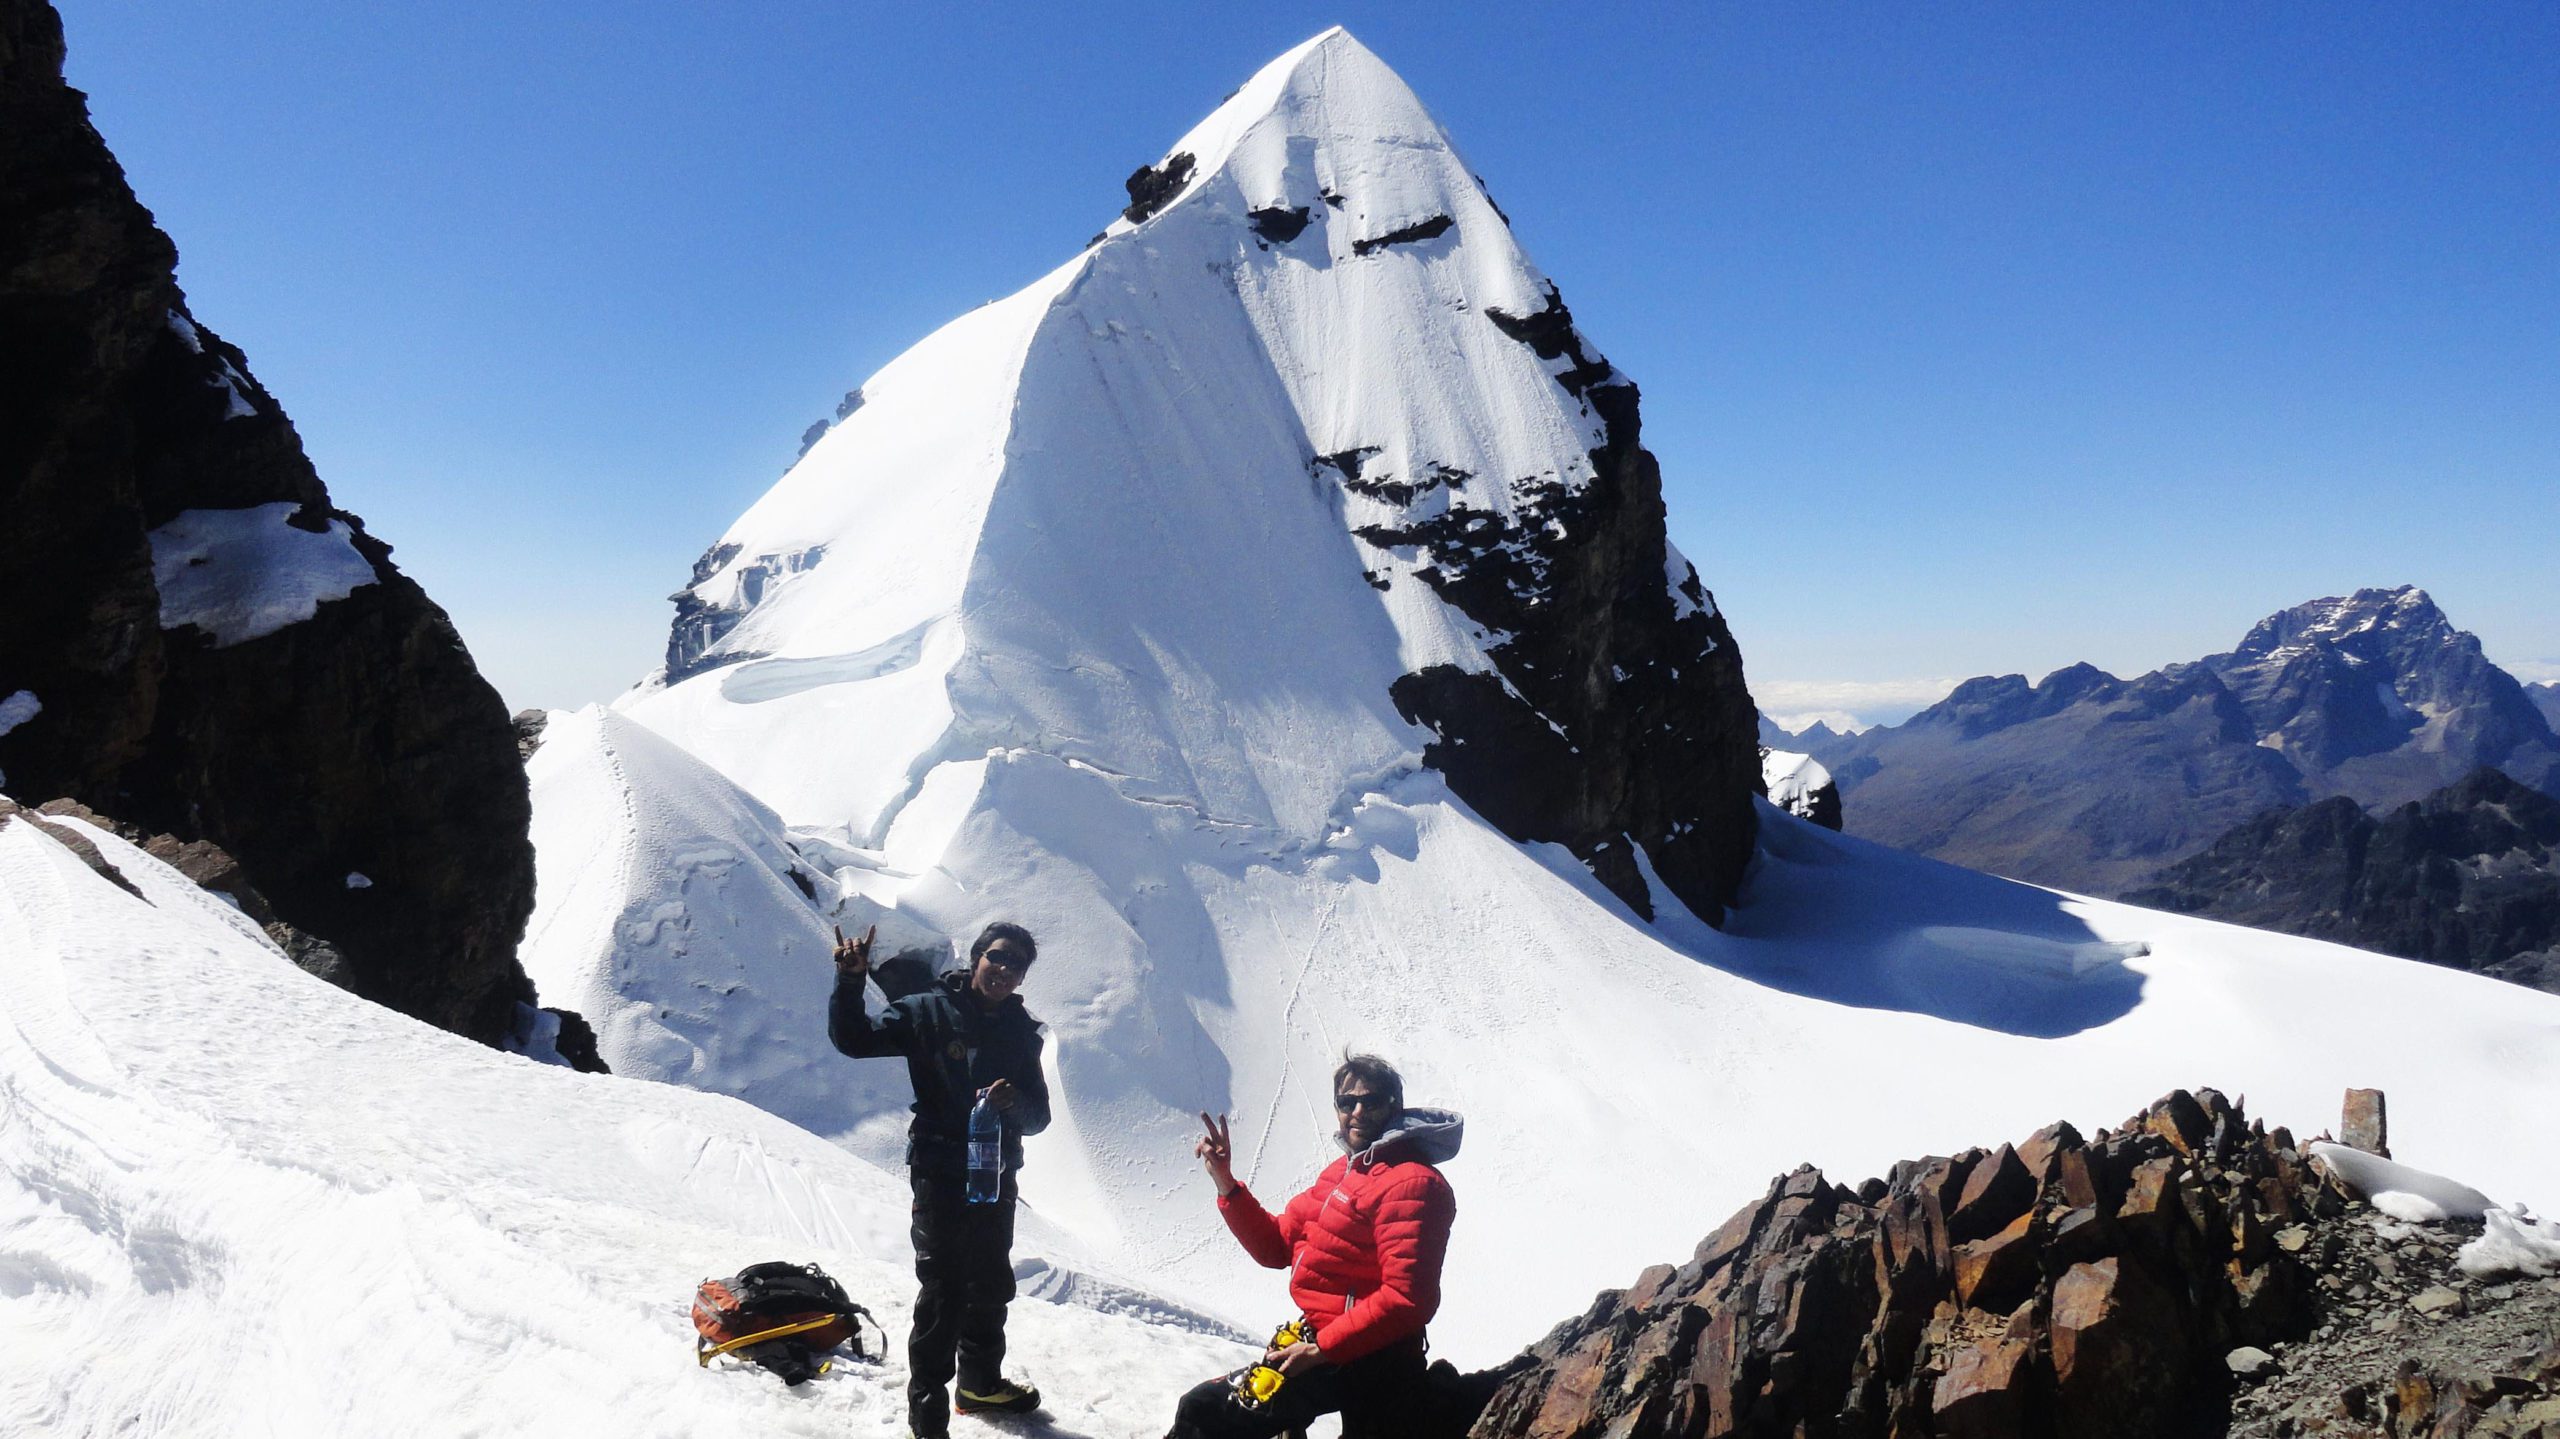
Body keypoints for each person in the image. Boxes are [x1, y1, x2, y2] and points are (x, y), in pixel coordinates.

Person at [830, 920, 1051, 1439]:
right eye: (996, 957)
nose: (1003, 970)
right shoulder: (927, 1011)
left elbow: (1039, 1118)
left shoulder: (1022, 1035)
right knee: (944, 1287)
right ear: (976, 958)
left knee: (992, 1279)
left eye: (1015, 965)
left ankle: (979, 1383)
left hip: (995, 1172)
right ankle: (928, 1417)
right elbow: (854, 1041)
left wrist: (1013, 1103)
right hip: (938, 1169)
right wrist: (850, 982)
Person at [1169, 1055, 1461, 1439]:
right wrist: (1226, 1183)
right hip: (1329, 1347)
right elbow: (1276, 1247)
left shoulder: (1413, 1185)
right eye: (1346, 1102)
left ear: (1395, 1106)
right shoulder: (1344, 1173)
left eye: (1370, 1101)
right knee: (1207, 1411)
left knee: (1203, 1413)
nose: (1356, 1112)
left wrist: (1321, 1350)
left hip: (1371, 1357)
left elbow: (1408, 1298)